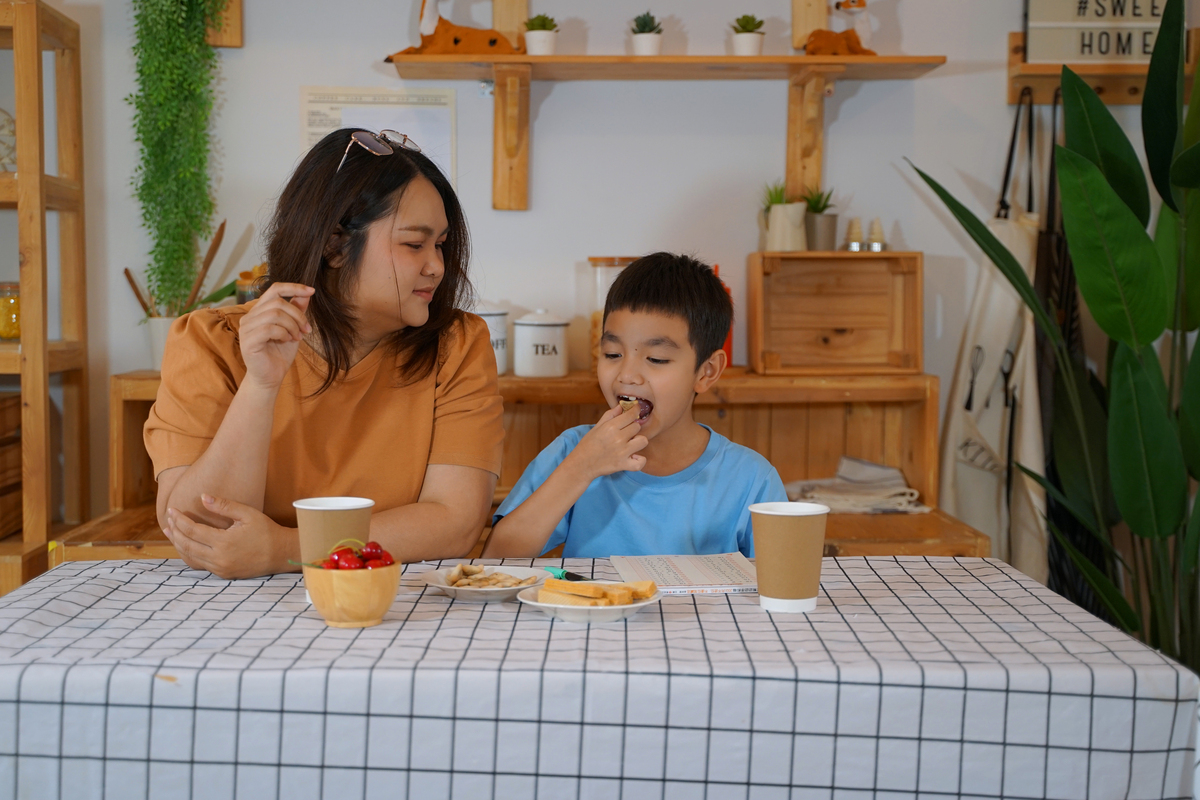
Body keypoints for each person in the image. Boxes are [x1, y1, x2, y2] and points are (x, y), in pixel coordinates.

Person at [145, 129, 504, 579]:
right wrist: (261, 385)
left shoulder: (457, 344)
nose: (437, 266)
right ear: (335, 245)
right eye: (415, 244)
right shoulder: (210, 340)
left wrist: (287, 549)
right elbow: (201, 529)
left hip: (396, 599)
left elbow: (455, 523)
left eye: (441, 245)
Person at [483, 252, 787, 559]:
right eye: (612, 354)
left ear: (706, 372)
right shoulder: (573, 450)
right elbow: (495, 558)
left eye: (656, 359)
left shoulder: (752, 479)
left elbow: (782, 578)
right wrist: (582, 468)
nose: (627, 375)